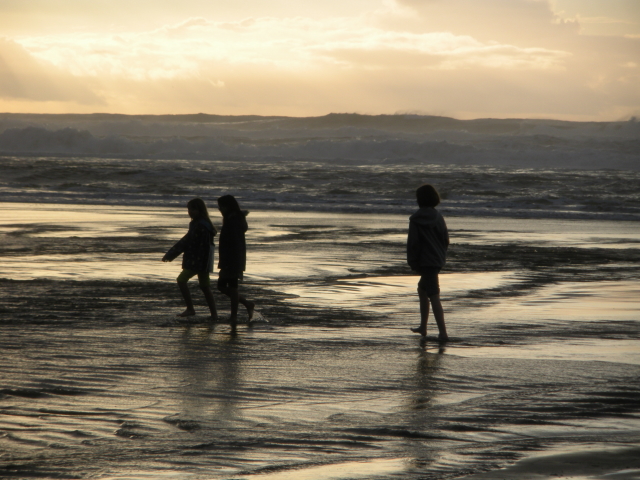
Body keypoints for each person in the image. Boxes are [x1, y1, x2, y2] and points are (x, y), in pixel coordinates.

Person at [162, 198, 218, 320]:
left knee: (181, 280)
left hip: (197, 261)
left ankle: (190, 308)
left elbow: (187, 241)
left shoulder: (200, 226)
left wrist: (171, 254)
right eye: (188, 209)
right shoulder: (202, 224)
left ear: (200, 210)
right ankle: (214, 314)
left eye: (192, 209)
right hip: (204, 261)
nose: (190, 212)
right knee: (204, 286)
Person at [407, 184, 450, 342]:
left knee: (433, 295)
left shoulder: (415, 219)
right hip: (436, 260)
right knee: (422, 289)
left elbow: (413, 243)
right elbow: (446, 240)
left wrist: (412, 261)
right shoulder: (439, 217)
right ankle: (423, 327)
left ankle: (443, 333)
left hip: (425, 261)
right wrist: (440, 255)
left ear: (419, 200)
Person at [216, 195, 255, 332]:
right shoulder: (233, 219)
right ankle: (246, 305)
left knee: (227, 286)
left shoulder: (234, 220)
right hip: (232, 258)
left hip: (232, 258)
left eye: (221, 207)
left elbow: (234, 243)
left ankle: (235, 315)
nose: (219, 209)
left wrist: (228, 260)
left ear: (227, 206)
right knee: (228, 286)